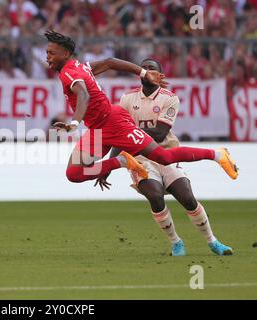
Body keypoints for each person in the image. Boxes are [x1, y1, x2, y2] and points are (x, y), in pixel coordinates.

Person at [44, 29, 238, 186]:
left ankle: (218, 155)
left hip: (114, 122)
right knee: (74, 173)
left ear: (66, 53)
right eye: (47, 53)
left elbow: (83, 95)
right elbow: (110, 62)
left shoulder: (68, 73)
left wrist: (74, 123)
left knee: (163, 157)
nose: (48, 57)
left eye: (52, 53)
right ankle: (122, 161)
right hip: (97, 129)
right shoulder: (79, 66)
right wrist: (144, 72)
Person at [94, 58, 233, 257]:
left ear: (160, 76)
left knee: (187, 198)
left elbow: (159, 133)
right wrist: (108, 165)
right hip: (139, 159)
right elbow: (119, 137)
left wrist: (129, 130)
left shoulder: (170, 98)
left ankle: (213, 242)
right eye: (144, 68)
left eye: (152, 68)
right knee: (155, 196)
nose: (147, 70)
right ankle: (176, 243)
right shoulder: (127, 99)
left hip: (167, 154)